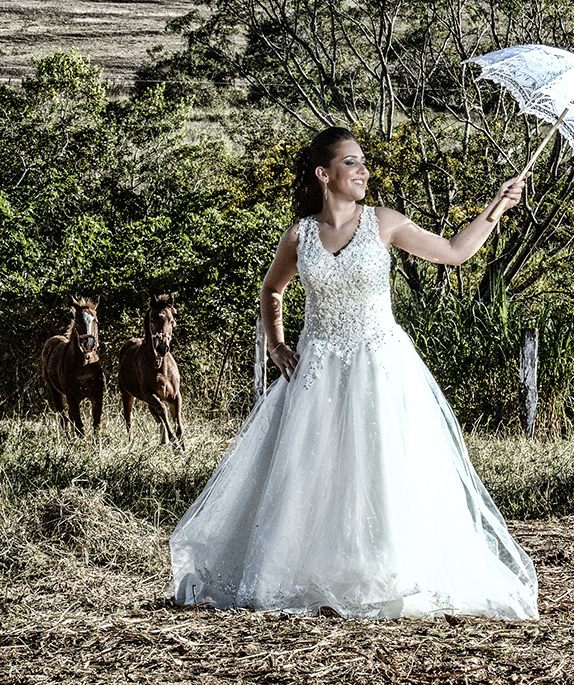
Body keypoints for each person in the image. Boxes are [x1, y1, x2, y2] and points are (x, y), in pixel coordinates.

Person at [170, 127, 538, 620]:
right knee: (310, 474)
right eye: (352, 163)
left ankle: (384, 574)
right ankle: (304, 574)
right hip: (318, 373)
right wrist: (277, 344)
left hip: (380, 367)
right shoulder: (299, 235)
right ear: (325, 174)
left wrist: (497, 208)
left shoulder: (384, 223)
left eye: (364, 163)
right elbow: (271, 292)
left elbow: (453, 251)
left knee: (382, 467)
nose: (363, 171)